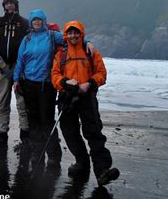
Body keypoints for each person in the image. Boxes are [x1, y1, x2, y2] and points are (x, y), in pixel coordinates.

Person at [51, 20, 119, 186]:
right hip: (67, 98)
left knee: (93, 132)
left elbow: (101, 73)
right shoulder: (61, 55)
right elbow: (55, 75)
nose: (73, 36)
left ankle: (102, 170)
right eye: (70, 33)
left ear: (81, 34)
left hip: (87, 97)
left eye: (76, 33)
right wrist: (65, 83)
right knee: (69, 132)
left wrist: (90, 83)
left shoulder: (91, 53)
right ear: (66, 35)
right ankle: (82, 163)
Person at [13, 9, 64, 167]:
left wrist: (87, 42)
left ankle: (54, 154)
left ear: (43, 21)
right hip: (29, 83)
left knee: (47, 120)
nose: (36, 22)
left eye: (39, 20)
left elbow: (71, 38)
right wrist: (16, 78)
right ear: (31, 22)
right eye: (34, 20)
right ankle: (37, 152)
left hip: (46, 84)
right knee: (33, 120)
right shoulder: (27, 39)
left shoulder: (51, 35)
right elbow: (20, 60)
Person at [0, 0, 30, 150]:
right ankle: (2, 133)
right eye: (7, 3)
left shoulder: (24, 23)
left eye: (12, 3)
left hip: (20, 67)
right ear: (3, 5)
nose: (9, 5)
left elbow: (28, 45)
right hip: (1, 67)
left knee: (22, 102)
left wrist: (21, 64)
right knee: (2, 101)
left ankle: (25, 134)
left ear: (16, 5)